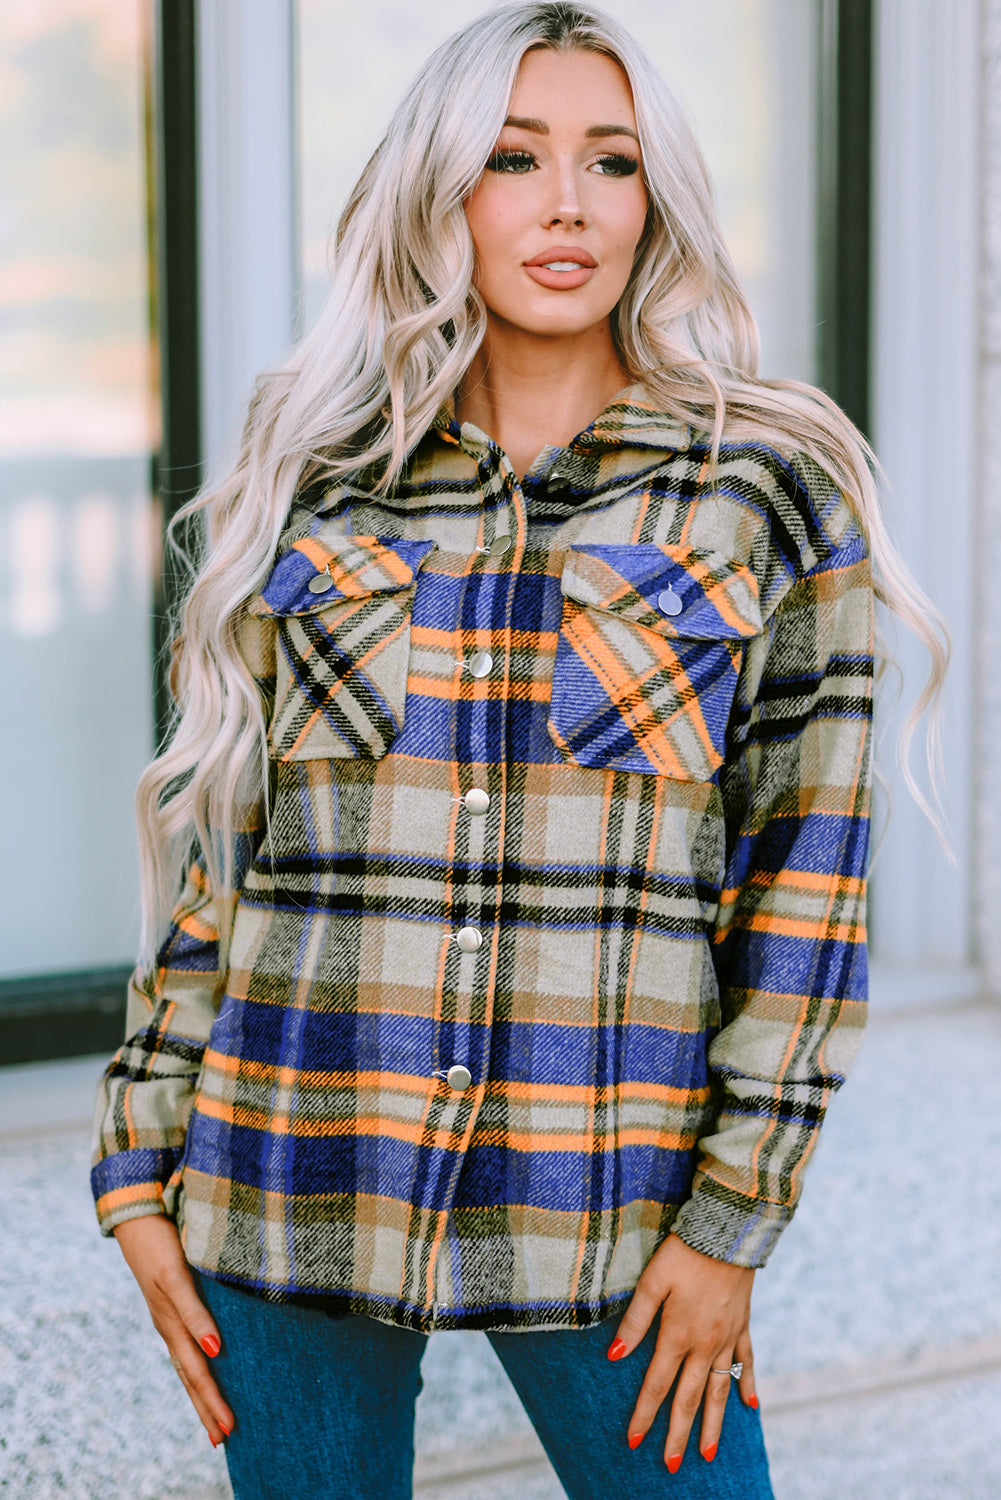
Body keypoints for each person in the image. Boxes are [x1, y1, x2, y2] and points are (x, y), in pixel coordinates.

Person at [90, 5, 945, 1497]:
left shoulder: (762, 491)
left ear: (655, 200)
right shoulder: (321, 481)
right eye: (512, 157)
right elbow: (226, 848)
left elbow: (806, 893)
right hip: (289, 1177)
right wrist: (135, 1162)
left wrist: (731, 1223)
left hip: (612, 1204)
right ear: (440, 192)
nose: (567, 203)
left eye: (610, 161)